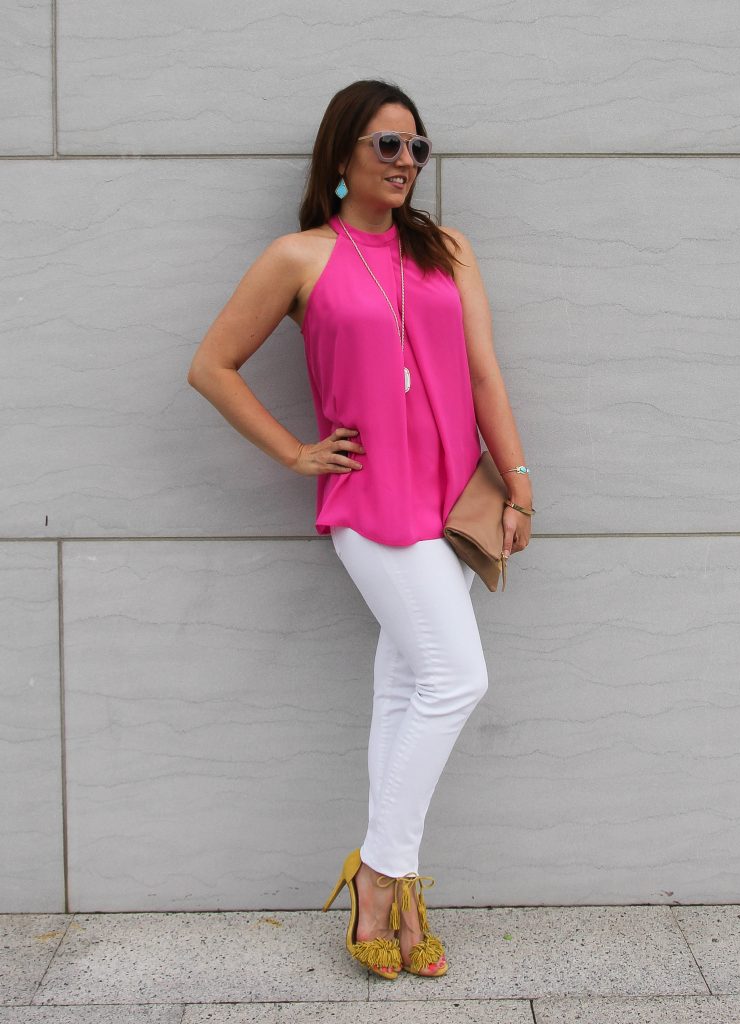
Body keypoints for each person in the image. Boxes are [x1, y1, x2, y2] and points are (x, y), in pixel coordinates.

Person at [187, 79, 534, 980]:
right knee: (456, 678)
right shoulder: (298, 256)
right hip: (373, 506)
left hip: (454, 498)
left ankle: (399, 889)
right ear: (342, 153)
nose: (406, 163)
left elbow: (485, 373)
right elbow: (212, 366)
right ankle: (379, 876)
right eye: (387, 146)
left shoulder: (445, 248)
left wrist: (519, 481)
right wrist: (295, 452)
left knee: (406, 687)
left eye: (418, 148)